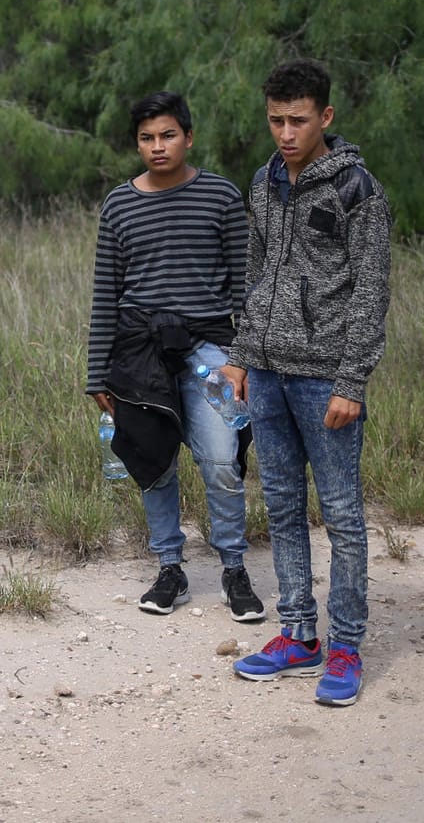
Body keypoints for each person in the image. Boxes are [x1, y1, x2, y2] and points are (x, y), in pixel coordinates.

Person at [221, 58, 391, 707]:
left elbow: (370, 288)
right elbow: (255, 272)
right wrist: (240, 352)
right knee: (284, 506)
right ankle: (296, 632)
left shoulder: (357, 189)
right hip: (264, 370)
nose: (285, 132)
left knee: (342, 514)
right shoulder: (263, 181)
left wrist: (352, 378)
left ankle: (345, 644)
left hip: (325, 379)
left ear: (325, 115)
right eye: (274, 120)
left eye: (297, 120)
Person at [85, 91, 263, 622]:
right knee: (153, 465)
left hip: (209, 351)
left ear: (188, 136)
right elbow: (105, 294)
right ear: (136, 143)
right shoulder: (119, 204)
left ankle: (234, 567)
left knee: (220, 460)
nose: (157, 147)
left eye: (167, 135)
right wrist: (98, 374)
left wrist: (243, 359)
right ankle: (170, 568)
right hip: (137, 355)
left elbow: (246, 287)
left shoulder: (222, 197)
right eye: (146, 138)